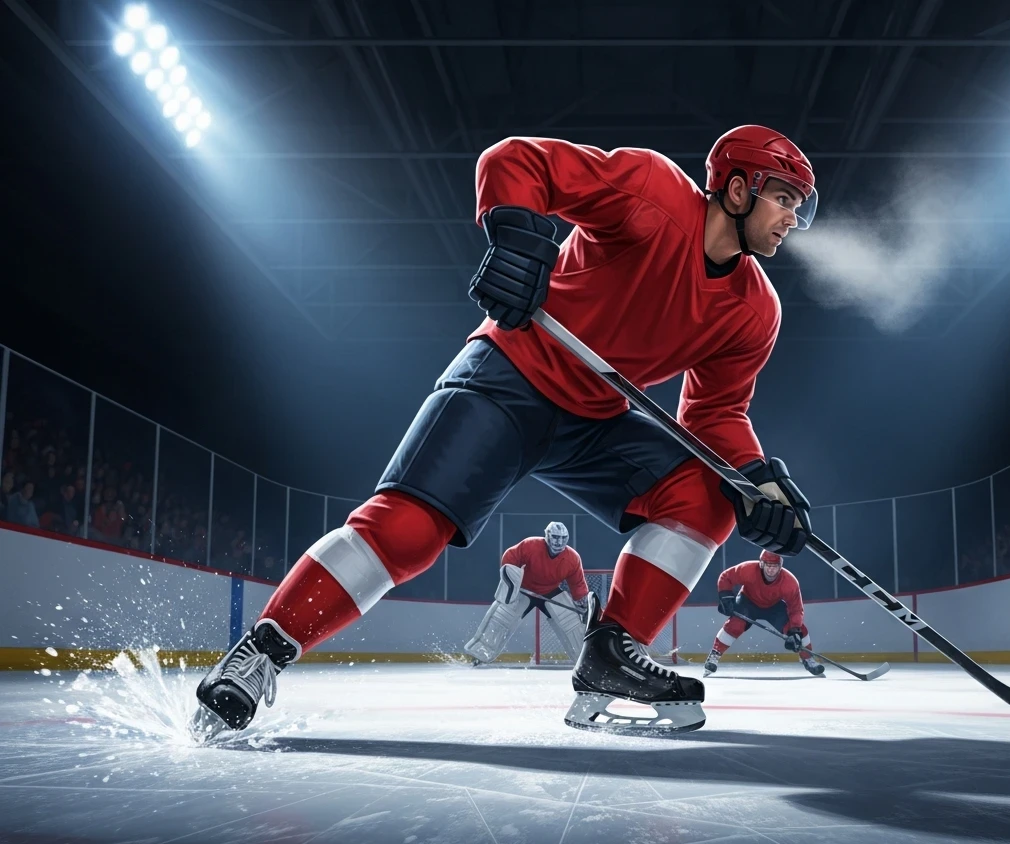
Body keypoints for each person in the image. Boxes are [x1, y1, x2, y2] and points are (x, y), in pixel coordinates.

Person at [194, 124, 818, 737]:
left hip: (594, 419)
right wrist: (518, 238)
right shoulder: (651, 191)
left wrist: (754, 479)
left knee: (709, 494)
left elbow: (713, 414)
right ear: (738, 190)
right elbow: (516, 160)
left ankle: (611, 657)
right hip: (511, 375)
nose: (793, 218)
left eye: (798, 205)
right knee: (407, 532)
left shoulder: (755, 311)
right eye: (783, 198)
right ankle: (259, 653)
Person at [464, 521, 591, 664]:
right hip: (525, 589)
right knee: (502, 617)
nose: (559, 542)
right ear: (547, 535)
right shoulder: (530, 545)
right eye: (555, 537)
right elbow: (510, 557)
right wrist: (512, 581)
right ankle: (479, 654)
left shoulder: (572, 558)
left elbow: (577, 583)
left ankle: (585, 661)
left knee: (571, 622)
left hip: (551, 592)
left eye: (563, 538)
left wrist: (582, 602)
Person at [705, 550, 824, 677]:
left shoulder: (790, 582)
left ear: (780, 566)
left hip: (774, 607)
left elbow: (796, 608)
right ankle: (714, 655)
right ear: (761, 564)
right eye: (768, 565)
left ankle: (808, 658)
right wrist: (725, 597)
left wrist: (794, 630)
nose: (771, 570)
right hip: (747, 602)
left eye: (775, 566)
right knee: (735, 625)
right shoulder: (748, 569)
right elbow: (726, 577)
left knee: (800, 631)